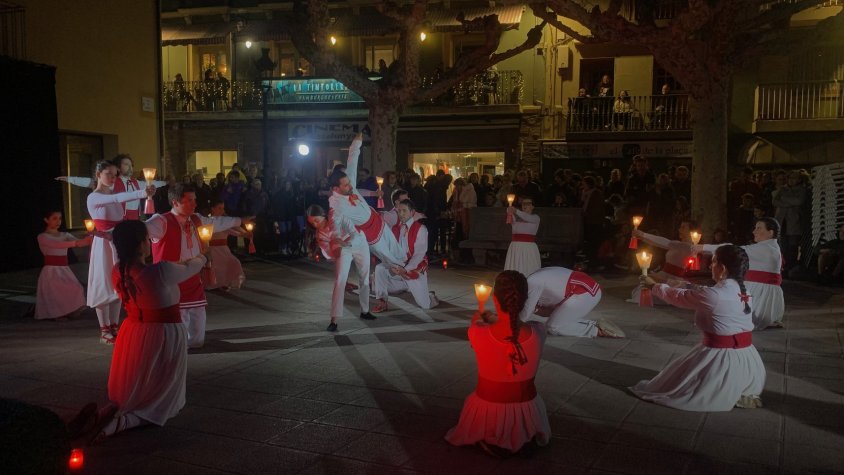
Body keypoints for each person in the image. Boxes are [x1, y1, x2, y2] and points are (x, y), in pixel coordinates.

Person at [91, 220, 207, 441]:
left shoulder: (118, 270)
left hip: (134, 330)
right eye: (147, 239)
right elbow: (192, 266)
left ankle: (123, 411)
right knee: (162, 380)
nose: (149, 242)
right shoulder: (161, 271)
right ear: (140, 244)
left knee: (139, 374)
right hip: (164, 332)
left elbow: (172, 269)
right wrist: (203, 255)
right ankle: (129, 420)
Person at [632, 245, 766, 411]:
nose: (710, 266)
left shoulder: (715, 295)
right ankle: (742, 389)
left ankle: (726, 388)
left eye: (714, 261)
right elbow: (704, 292)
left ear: (722, 268)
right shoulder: (743, 289)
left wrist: (653, 286)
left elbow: (678, 297)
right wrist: (680, 284)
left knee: (681, 387)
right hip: (748, 360)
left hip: (723, 360)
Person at [445, 271, 550, 456]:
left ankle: (489, 436)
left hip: (488, 405)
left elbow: (483, 334)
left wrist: (482, 318)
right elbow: (516, 329)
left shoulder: (477, 333)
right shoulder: (539, 333)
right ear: (525, 300)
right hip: (527, 406)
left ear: (495, 299)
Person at [145, 184, 246, 348]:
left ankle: (190, 342)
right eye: (189, 200)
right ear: (176, 202)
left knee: (198, 323)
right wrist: (109, 234)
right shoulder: (161, 221)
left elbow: (218, 222)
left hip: (193, 278)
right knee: (177, 323)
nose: (194, 204)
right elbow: (136, 230)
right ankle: (175, 346)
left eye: (195, 200)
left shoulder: (197, 219)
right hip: (171, 282)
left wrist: (240, 220)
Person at [86, 160, 155, 344]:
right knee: (103, 282)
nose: (113, 177)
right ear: (98, 174)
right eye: (108, 174)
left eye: (115, 174)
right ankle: (104, 330)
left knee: (119, 281)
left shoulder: (115, 193)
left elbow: (120, 202)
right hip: (103, 244)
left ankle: (115, 326)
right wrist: (141, 193)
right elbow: (116, 199)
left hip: (116, 241)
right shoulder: (94, 197)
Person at [328, 134, 405, 266]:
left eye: (349, 182)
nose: (351, 186)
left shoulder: (349, 183)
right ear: (336, 189)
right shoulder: (337, 206)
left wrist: (356, 143)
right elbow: (334, 223)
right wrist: (336, 238)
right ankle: (402, 276)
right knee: (389, 259)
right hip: (369, 234)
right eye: (346, 185)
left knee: (397, 249)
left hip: (377, 219)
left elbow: (352, 160)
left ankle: (408, 270)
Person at [697, 217, 784, 330]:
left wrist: (703, 247)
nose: (754, 231)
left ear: (770, 232)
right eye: (755, 228)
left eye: (759, 228)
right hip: (761, 294)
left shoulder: (766, 249)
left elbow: (733, 250)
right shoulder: (770, 247)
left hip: (760, 298)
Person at [306, 204, 374, 332]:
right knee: (339, 281)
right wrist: (334, 248)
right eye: (312, 223)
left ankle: (365, 311)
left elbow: (354, 232)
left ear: (323, 215)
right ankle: (334, 320)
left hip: (359, 243)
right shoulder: (320, 235)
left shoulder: (337, 217)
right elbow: (329, 254)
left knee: (364, 278)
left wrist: (345, 243)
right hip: (342, 249)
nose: (315, 224)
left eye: (316, 220)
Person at [372, 199, 438, 312]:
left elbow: (419, 255)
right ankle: (382, 301)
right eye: (399, 211)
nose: (401, 214)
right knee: (380, 269)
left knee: (425, 305)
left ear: (412, 212)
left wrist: (405, 269)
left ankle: (430, 296)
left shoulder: (421, 229)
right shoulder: (399, 228)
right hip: (400, 265)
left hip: (414, 269)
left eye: (404, 211)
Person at [519, 267, 623, 338]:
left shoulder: (532, 283)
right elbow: (547, 312)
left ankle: (596, 331)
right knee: (555, 320)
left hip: (585, 293)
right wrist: (533, 308)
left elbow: (523, 317)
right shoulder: (533, 279)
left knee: (553, 327)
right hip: (586, 289)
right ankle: (596, 324)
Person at [56, 154, 165, 220]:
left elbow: (154, 183)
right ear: (118, 167)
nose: (130, 167)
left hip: (135, 218)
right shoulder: (112, 182)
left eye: (131, 165)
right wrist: (70, 179)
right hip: (120, 218)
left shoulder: (136, 182)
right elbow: (90, 181)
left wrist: (167, 182)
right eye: (126, 164)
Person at [35, 209, 93, 319]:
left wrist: (90, 237)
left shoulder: (64, 234)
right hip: (51, 270)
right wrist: (77, 243)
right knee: (56, 294)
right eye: (54, 218)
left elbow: (79, 243)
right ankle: (56, 314)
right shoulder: (42, 237)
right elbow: (57, 245)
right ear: (46, 220)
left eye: (60, 218)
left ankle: (69, 311)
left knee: (76, 288)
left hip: (64, 269)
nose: (58, 221)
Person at [629, 220, 698, 304]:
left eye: (683, 227)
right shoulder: (678, 244)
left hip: (673, 279)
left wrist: (643, 235)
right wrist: (641, 237)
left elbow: (664, 242)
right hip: (664, 274)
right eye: (680, 227)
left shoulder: (689, 246)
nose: (679, 230)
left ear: (691, 231)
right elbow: (659, 243)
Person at [206, 200, 245, 291]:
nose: (222, 210)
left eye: (223, 208)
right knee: (216, 267)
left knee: (233, 263)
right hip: (213, 249)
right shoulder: (208, 221)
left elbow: (234, 230)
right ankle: (215, 284)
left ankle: (224, 283)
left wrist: (246, 233)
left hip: (224, 249)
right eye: (219, 208)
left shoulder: (225, 221)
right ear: (213, 209)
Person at [504, 198, 541, 277]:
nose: (525, 206)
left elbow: (527, 217)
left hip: (528, 248)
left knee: (529, 269)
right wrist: (509, 211)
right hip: (515, 248)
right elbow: (512, 220)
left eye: (528, 204)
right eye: (523, 204)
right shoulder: (517, 218)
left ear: (532, 206)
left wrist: (515, 211)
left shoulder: (535, 218)